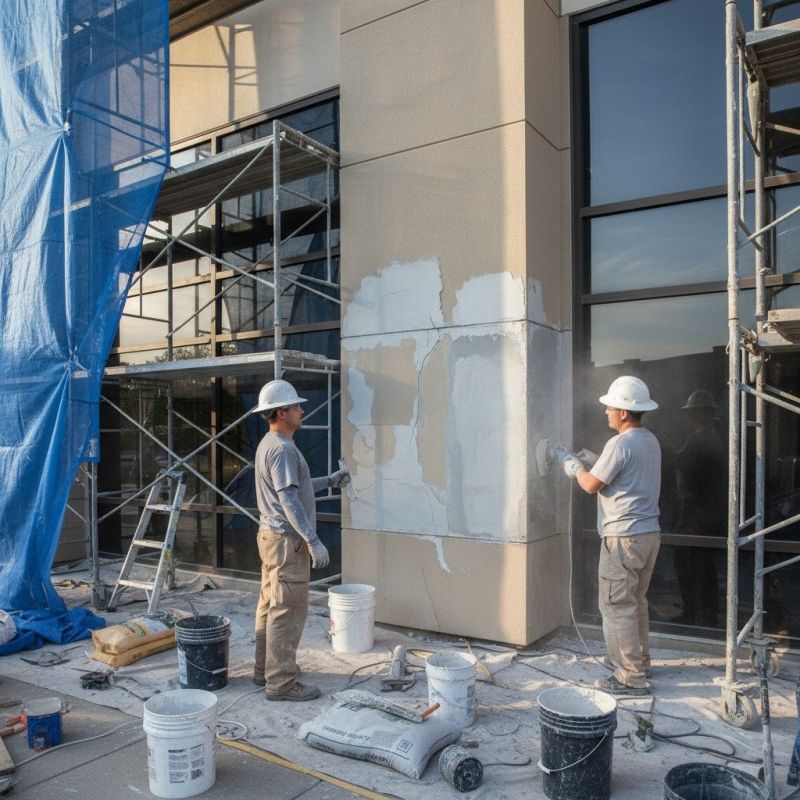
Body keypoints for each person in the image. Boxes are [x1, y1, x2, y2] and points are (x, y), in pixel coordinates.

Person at [559, 376, 661, 695]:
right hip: (648, 535)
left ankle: (629, 678)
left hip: (624, 539)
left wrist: (573, 466)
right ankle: (640, 661)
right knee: (635, 603)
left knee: (616, 607)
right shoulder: (649, 441)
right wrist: (594, 462)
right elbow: (625, 478)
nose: (606, 413)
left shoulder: (619, 444)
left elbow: (591, 486)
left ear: (625, 413)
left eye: (611, 408)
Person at [251, 379, 347, 701]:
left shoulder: (271, 444)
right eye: (296, 407)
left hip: (272, 537)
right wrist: (313, 539)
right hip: (286, 542)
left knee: (270, 605)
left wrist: (330, 481)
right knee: (287, 610)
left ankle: (265, 671)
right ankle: (281, 683)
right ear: (281, 412)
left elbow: (298, 487)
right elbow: (289, 501)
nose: (301, 411)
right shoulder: (281, 449)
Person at [673, 389, 725, 627]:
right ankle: (706, 613)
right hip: (705, 508)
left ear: (703, 414)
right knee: (702, 564)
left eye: (693, 413)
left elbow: (681, 462)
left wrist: (660, 450)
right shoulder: (712, 436)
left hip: (697, 509)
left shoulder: (701, 438)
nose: (689, 418)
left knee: (690, 561)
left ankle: (695, 614)